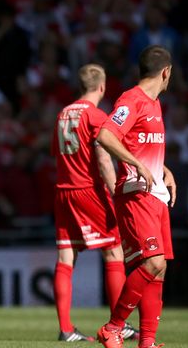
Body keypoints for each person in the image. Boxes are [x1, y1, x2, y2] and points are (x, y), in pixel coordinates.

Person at [95, 46, 177, 348]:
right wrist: (139, 165)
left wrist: (164, 169)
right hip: (136, 193)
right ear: (166, 72)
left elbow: (140, 145)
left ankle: (148, 342)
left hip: (155, 193)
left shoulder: (154, 104)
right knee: (153, 263)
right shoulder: (132, 100)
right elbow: (105, 135)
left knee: (160, 268)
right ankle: (113, 327)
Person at [51, 64, 137, 342]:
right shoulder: (96, 116)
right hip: (89, 191)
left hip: (63, 191)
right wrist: (116, 192)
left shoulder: (63, 114)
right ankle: (119, 324)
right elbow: (102, 157)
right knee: (114, 253)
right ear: (102, 87)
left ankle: (65, 329)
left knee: (66, 258)